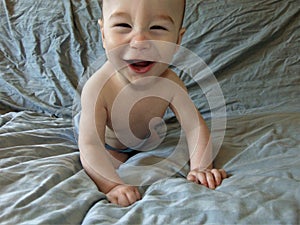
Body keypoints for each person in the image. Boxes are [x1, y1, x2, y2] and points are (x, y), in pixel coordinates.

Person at [78, 0, 227, 207]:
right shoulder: (98, 87)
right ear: (103, 34)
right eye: (123, 26)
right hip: (109, 144)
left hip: (148, 139)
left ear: (177, 40)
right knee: (99, 149)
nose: (139, 41)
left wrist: (201, 167)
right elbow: (90, 144)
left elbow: (194, 127)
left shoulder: (170, 83)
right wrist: (112, 186)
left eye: (157, 27)